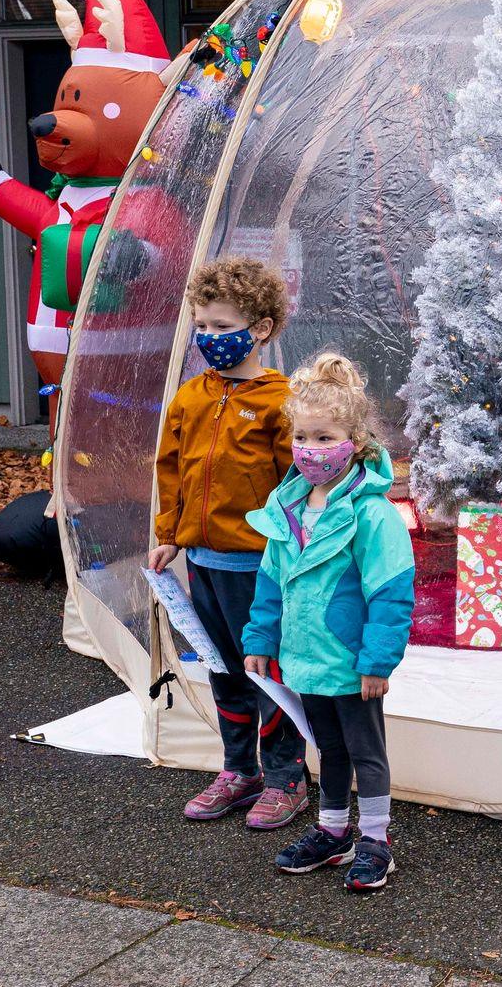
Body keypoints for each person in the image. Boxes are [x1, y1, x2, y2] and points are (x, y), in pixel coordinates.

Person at [242, 354, 415, 891]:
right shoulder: (287, 507)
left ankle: (376, 842)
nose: (311, 450)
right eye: (303, 437)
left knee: (367, 752)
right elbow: (271, 580)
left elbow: (390, 593)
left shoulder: (373, 514)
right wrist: (261, 638)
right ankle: (333, 830)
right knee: (329, 749)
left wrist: (377, 660)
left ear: (355, 441)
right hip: (304, 657)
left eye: (325, 437)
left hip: (351, 660)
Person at [149, 257, 307, 827]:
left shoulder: (281, 402)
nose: (208, 337)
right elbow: (173, 469)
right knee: (220, 665)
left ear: (260, 329)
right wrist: (170, 534)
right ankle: (240, 770)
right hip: (201, 560)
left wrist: (297, 546)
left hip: (259, 564)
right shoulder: (191, 396)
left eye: (221, 326)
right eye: (202, 326)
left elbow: (299, 484)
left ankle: (287, 777)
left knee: (264, 665)